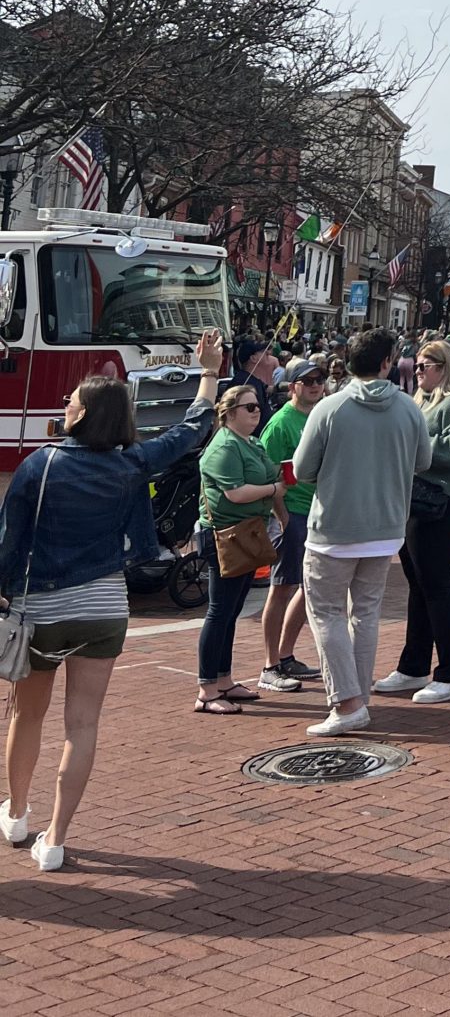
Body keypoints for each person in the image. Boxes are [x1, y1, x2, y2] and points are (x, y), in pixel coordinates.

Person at [0, 330, 222, 871]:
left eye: (71, 400)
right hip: (104, 604)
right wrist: (209, 373)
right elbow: (188, 432)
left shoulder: (41, 464)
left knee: (28, 714)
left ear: (82, 415)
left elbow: (10, 544)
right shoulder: (131, 464)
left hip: (42, 606)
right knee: (84, 725)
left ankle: (18, 812)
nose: (65, 403)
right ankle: (55, 838)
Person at [294, 325, 433, 738]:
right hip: (386, 526)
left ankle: (348, 701)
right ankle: (357, 698)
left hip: (334, 528)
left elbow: (302, 470)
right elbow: (423, 460)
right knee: (365, 613)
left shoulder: (330, 408)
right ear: (387, 363)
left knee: (328, 613)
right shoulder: (409, 408)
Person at [375, 339, 450, 704]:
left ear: (444, 366)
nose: (417, 371)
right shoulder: (423, 399)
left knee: (436, 584)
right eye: (416, 365)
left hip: (441, 498)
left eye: (425, 365)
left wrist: (414, 443)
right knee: (418, 583)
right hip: (415, 498)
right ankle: (414, 664)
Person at [195, 380, 287, 715]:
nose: (257, 412)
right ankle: (206, 689)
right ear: (229, 412)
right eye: (249, 407)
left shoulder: (250, 442)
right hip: (224, 535)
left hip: (248, 532)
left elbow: (271, 479)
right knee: (219, 611)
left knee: (231, 611)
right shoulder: (223, 446)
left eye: (258, 406)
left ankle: (224, 679)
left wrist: (276, 496)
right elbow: (235, 493)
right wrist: (272, 489)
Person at [257, 357, 328, 692]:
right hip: (294, 514)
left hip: (317, 512)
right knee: (282, 587)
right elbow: (268, 473)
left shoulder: (319, 415)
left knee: (307, 587)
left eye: (319, 379)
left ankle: (286, 656)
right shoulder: (281, 423)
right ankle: (270, 665)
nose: (315, 385)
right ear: (293, 385)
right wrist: (281, 516)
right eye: (307, 380)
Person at [223, 334, 281, 429]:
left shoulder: (252, 380)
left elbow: (268, 389)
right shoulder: (243, 383)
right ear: (253, 358)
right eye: (262, 351)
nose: (268, 353)